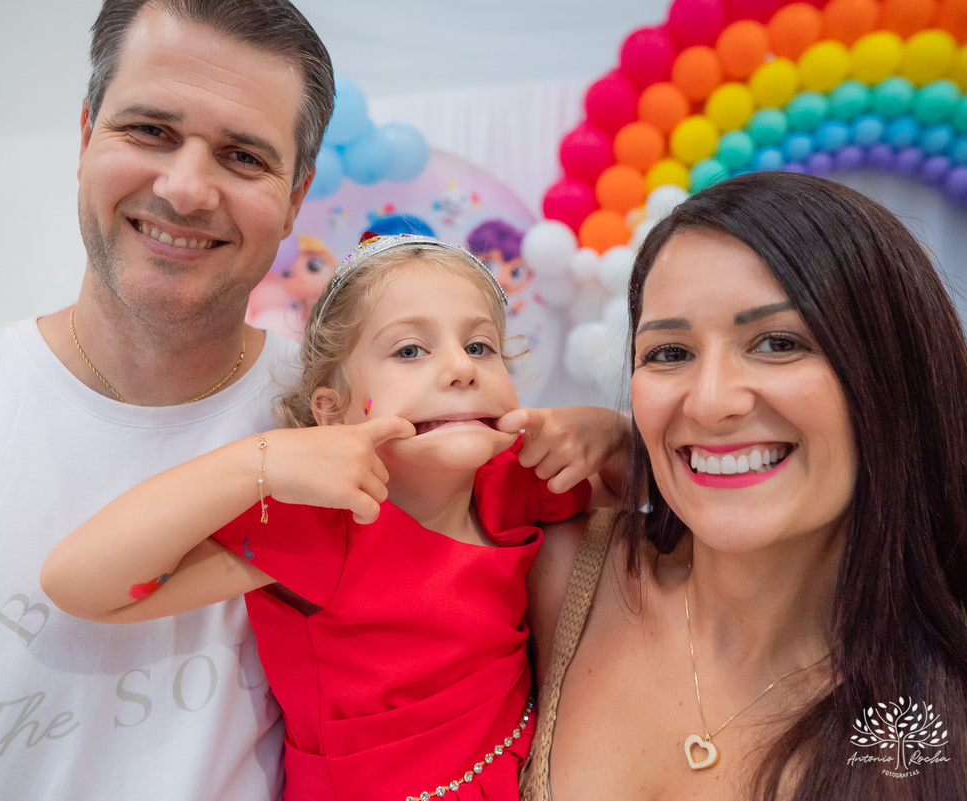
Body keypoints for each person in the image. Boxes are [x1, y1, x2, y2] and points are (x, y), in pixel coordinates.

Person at [0, 1, 334, 798]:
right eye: (150, 130)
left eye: (243, 156)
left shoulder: (342, 430)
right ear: (86, 138)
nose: (187, 188)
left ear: (295, 198)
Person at [41, 234, 619, 801]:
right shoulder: (325, 526)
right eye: (410, 350)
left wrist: (612, 432)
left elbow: (657, 500)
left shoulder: (515, 481)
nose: (460, 369)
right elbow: (80, 584)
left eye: (480, 347)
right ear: (332, 414)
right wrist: (254, 464)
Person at [521, 171, 967, 801]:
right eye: (669, 353)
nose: (712, 401)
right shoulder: (554, 577)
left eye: (778, 343)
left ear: (895, 377)